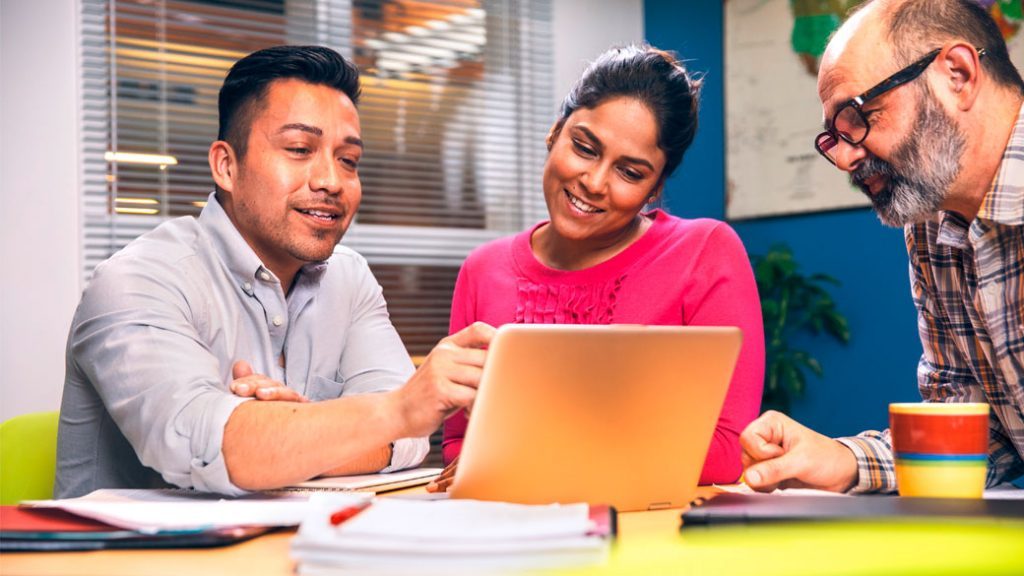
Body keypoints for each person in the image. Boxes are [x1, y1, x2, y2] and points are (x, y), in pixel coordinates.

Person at [55, 45, 494, 498]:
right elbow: (214, 448)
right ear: (227, 165)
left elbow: (408, 440)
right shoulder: (136, 281)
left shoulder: (350, 276)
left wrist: (287, 435)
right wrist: (377, 417)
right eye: (300, 149)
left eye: (349, 160)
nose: (331, 180)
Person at [428, 44, 765, 492]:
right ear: (554, 132)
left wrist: (528, 456)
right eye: (585, 148)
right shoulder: (482, 269)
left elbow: (725, 450)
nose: (594, 182)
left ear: (654, 189)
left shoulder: (705, 252)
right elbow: (459, 444)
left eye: (630, 173)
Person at [740, 0, 1024, 494]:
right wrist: (846, 459)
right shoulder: (931, 227)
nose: (847, 158)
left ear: (957, 74)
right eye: (835, 137)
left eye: (858, 116)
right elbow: (979, 434)